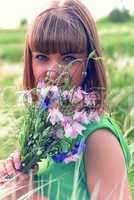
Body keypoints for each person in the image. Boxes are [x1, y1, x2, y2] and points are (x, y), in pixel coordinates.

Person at [0, 0, 132, 199]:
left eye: (69, 58)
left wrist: (30, 195)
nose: (54, 72)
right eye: (42, 57)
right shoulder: (43, 129)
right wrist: (13, 177)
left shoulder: (97, 138)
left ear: (89, 61)